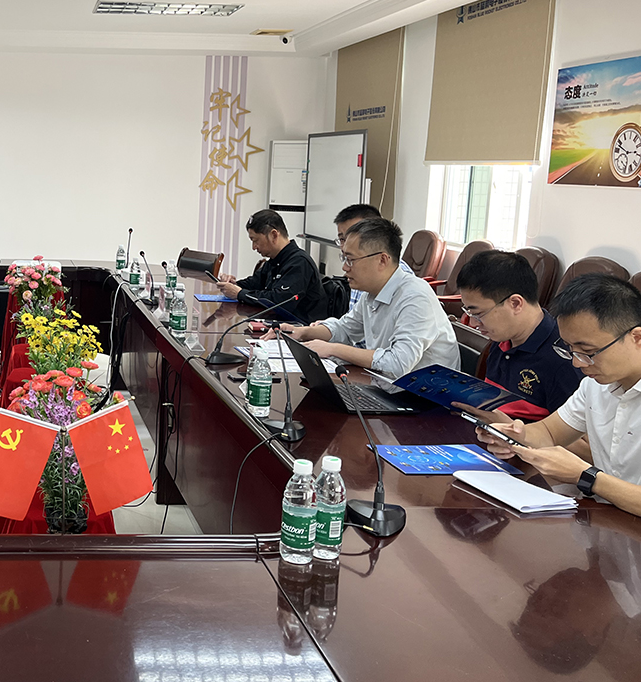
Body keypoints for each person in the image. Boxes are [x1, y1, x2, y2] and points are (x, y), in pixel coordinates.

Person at [478, 275, 641, 518]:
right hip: (604, 521)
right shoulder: (594, 385)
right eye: (570, 349)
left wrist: (587, 477)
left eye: (588, 351)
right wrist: (515, 434)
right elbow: (550, 432)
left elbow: (587, 476)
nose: (577, 363)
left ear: (637, 338)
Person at [273, 218, 460, 379]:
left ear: (382, 260)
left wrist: (332, 349)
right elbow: (345, 328)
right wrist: (302, 332)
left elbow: (397, 364)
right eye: (344, 258)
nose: (345, 268)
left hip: (423, 400)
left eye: (351, 260)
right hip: (385, 385)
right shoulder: (372, 292)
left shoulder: (415, 297)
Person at [456, 250, 582, 419]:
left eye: (478, 314)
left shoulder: (562, 361)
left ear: (515, 303)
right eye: (469, 312)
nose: (473, 323)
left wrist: (508, 427)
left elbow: (572, 434)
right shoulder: (503, 338)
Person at [216, 209, 327, 324]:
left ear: (273, 235)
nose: (254, 247)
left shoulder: (299, 263)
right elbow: (254, 283)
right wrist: (233, 284)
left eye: (255, 240)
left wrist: (239, 293)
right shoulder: (275, 260)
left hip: (300, 328)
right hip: (276, 323)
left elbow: (279, 302)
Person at [333, 204, 415, 310]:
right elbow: (353, 319)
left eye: (352, 237)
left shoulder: (409, 297)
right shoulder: (366, 280)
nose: (345, 246)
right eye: (342, 239)